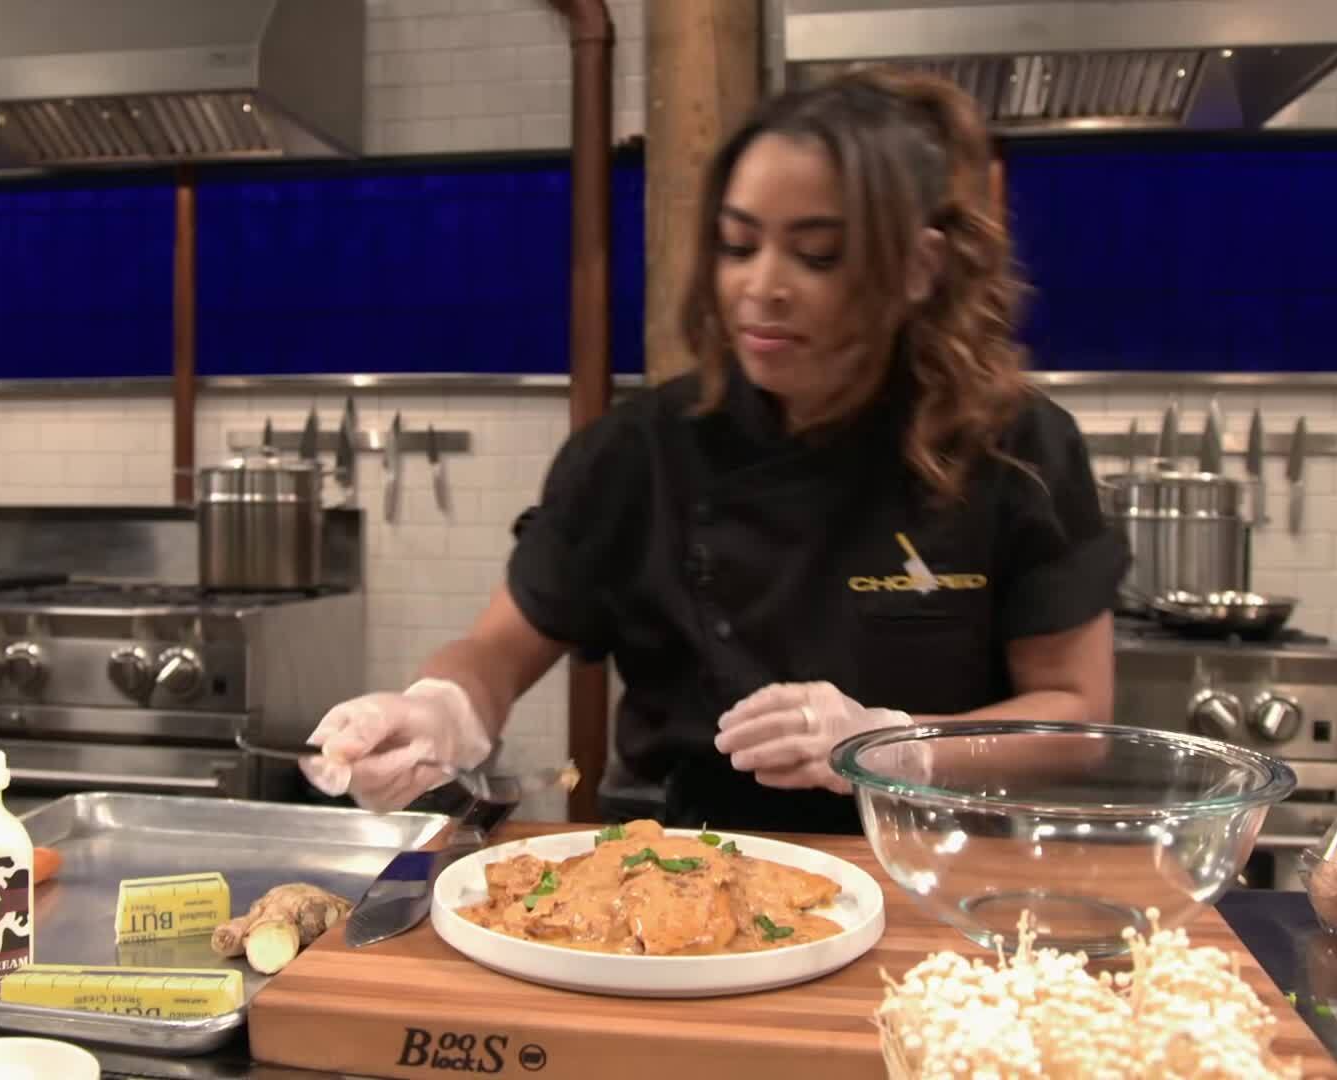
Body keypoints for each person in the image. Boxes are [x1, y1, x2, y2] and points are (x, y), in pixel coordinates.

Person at [302, 70, 1127, 834]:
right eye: (738, 245)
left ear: (919, 266)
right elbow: (498, 652)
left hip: (935, 865)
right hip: (687, 861)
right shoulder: (639, 451)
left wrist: (893, 747)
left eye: (817, 254)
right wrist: (440, 710)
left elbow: (1074, 716)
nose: (761, 286)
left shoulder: (1014, 446)